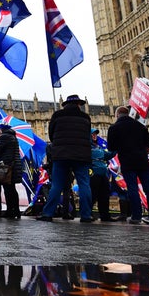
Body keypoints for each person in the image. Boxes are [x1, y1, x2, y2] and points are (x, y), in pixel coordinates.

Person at [37, 94, 93, 223]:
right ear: (79, 104)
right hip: (81, 155)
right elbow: (88, 135)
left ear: (65, 104)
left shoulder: (57, 115)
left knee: (56, 185)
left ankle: (48, 213)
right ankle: (86, 215)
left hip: (61, 155)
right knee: (84, 185)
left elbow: (51, 135)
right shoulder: (85, 117)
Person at [106, 106, 149, 225]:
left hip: (127, 162)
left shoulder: (114, 128)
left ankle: (136, 216)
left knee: (132, 188)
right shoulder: (140, 126)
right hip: (142, 161)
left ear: (116, 115)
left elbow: (111, 148)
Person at [0, 124, 23, 219]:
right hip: (15, 165)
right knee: (13, 190)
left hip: (7, 166)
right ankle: (17, 211)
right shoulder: (14, 137)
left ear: (2, 130)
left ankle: (10, 211)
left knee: (7, 189)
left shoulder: (4, 137)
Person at [90, 128, 117, 221]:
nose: (94, 135)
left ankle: (105, 215)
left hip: (103, 173)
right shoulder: (86, 147)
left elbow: (107, 155)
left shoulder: (98, 147)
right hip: (93, 173)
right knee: (92, 194)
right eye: (92, 134)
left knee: (104, 195)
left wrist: (115, 149)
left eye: (95, 134)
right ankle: (87, 213)